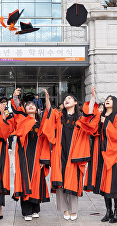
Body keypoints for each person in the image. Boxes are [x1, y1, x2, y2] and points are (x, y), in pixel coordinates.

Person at [41, 86, 99, 221]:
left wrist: (93, 97)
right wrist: (48, 100)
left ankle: (73, 210)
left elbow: (91, 115)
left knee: (73, 182)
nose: (66, 100)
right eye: (65, 99)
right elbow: (49, 112)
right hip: (59, 153)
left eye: (69, 98)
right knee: (60, 183)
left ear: (75, 103)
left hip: (74, 154)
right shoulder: (59, 117)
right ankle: (65, 209)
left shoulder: (80, 119)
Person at [10, 88, 51, 221]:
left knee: (37, 182)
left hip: (37, 157)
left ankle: (35, 209)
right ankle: (26, 211)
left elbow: (45, 142)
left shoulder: (40, 124)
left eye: (33, 105)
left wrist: (43, 160)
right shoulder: (22, 120)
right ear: (25, 110)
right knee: (25, 181)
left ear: (37, 108)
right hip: (24, 156)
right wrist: (15, 97)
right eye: (28, 106)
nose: (31, 106)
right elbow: (17, 110)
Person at [86, 95, 117, 223]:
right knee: (105, 183)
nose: (107, 100)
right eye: (106, 99)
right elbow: (93, 130)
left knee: (114, 183)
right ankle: (108, 211)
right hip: (103, 153)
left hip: (115, 154)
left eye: (110, 99)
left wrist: (106, 123)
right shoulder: (101, 117)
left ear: (115, 103)